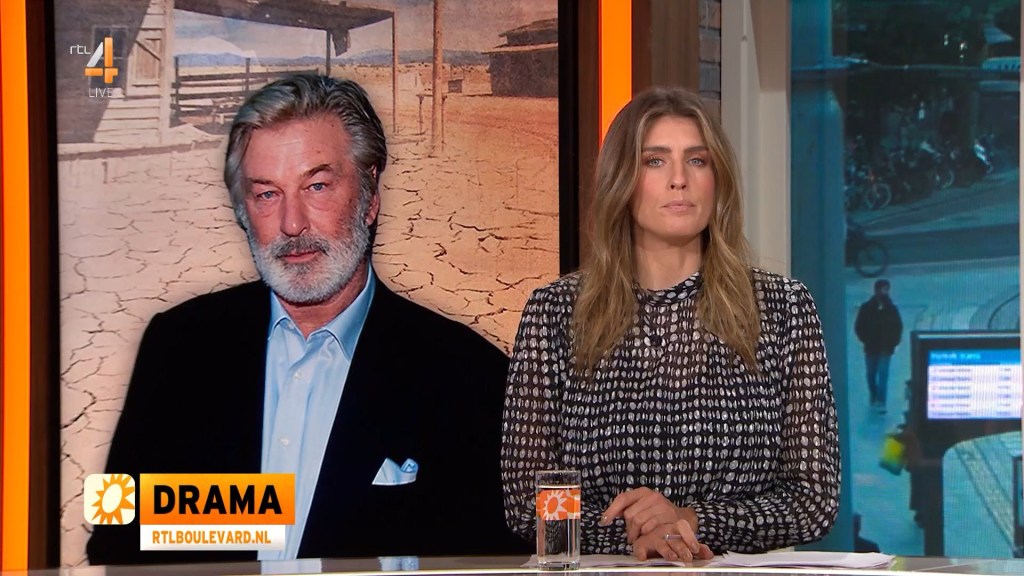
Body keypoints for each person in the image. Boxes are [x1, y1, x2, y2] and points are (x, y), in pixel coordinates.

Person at [87, 74, 526, 565]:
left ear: (370, 196)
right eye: (267, 194)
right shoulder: (176, 345)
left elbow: (491, 562)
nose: (292, 224)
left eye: (317, 186)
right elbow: (112, 533)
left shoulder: (471, 377)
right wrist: (251, 515)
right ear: (242, 210)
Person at [501, 87, 840, 561]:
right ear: (622, 179)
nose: (679, 179)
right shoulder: (556, 313)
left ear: (718, 179)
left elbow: (813, 501)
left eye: (697, 161)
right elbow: (526, 505)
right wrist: (639, 537)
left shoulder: (783, 309)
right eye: (655, 161)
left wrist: (691, 521)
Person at [854, 279, 903, 414]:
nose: (884, 292)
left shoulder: (891, 309)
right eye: (882, 289)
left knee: (883, 375)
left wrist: (894, 342)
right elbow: (859, 326)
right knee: (871, 374)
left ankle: (881, 400)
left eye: (886, 289)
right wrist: (865, 339)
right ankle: (874, 394)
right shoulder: (866, 308)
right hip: (871, 347)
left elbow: (898, 327)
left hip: (886, 347)